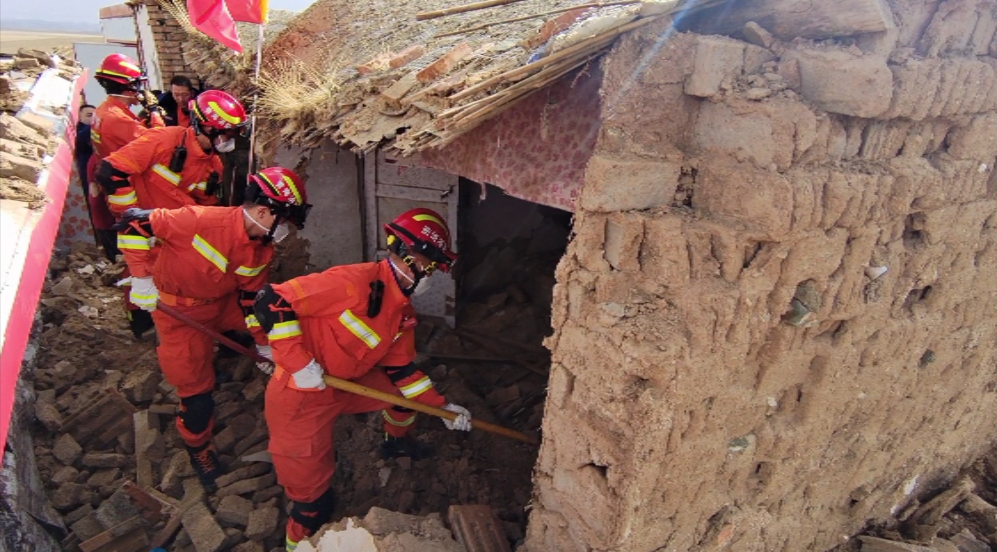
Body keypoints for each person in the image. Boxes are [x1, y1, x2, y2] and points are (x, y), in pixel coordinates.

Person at [253, 207, 473, 550]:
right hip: (300, 397)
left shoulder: (401, 312)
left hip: (346, 386)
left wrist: (442, 407)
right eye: (430, 266)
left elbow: (402, 372)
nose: (431, 275)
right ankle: (296, 544)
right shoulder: (353, 281)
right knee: (312, 505)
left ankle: (396, 442)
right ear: (409, 256)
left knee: (404, 397)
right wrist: (298, 363)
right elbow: (271, 300)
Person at [114, 167, 311, 490]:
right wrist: (141, 278)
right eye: (285, 221)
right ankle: (199, 448)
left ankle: (243, 356)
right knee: (197, 395)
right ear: (263, 212)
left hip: (221, 305)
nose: (286, 230)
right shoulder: (199, 220)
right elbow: (132, 223)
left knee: (279, 321)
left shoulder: (261, 248)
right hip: (179, 315)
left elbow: (250, 299)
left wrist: (263, 343)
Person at [89, 53, 166, 335]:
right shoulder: (116, 118)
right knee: (143, 253)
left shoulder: (104, 112)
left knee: (136, 250)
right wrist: (155, 112)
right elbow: (157, 142)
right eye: (136, 86)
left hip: (119, 190)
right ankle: (143, 316)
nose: (139, 91)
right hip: (130, 193)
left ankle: (139, 315)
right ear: (126, 86)